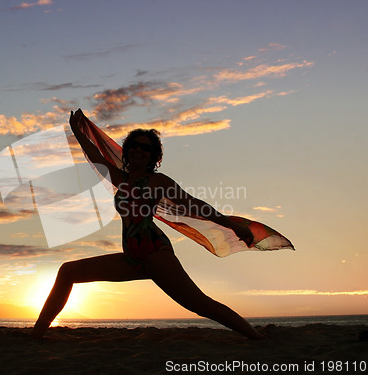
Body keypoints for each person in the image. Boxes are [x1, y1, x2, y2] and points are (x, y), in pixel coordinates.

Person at [32, 109, 264, 340]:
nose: (139, 150)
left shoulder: (158, 181)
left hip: (155, 253)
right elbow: (95, 156)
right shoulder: (120, 179)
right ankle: (36, 336)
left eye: (146, 148)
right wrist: (77, 132)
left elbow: (195, 205)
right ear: (128, 149)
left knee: (200, 304)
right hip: (132, 257)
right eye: (136, 145)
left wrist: (235, 226)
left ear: (153, 156)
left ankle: (255, 337)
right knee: (68, 272)